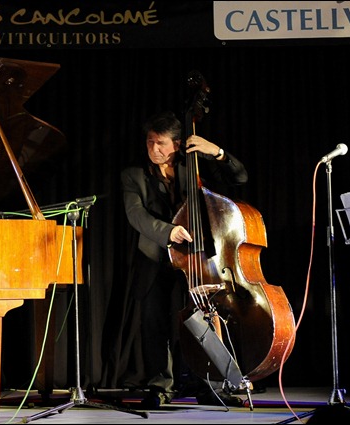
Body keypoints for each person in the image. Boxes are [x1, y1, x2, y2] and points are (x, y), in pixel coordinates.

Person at [119, 111, 248, 408]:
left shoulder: (194, 165)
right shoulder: (133, 174)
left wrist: (217, 152)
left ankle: (212, 385)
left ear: (177, 144)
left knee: (206, 318)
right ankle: (159, 387)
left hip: (199, 256)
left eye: (161, 143)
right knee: (154, 322)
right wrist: (169, 231)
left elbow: (239, 177)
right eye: (150, 142)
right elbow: (135, 214)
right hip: (155, 256)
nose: (154, 149)